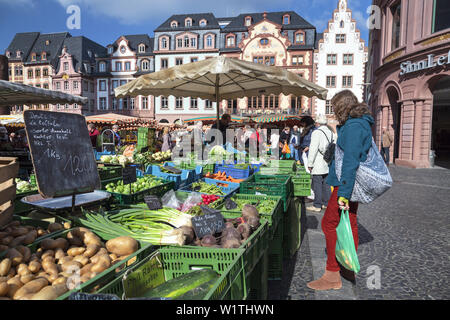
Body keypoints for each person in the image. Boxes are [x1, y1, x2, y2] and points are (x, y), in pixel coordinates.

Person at [307, 90, 374, 291]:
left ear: (342, 107)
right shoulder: (358, 124)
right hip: (349, 183)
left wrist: (343, 193)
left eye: (335, 107)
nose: (334, 112)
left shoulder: (354, 127)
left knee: (329, 223)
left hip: (346, 184)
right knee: (350, 222)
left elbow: (350, 162)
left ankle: (332, 274)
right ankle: (347, 267)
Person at [306, 114, 333, 213]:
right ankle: (327, 203)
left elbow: (313, 149)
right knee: (326, 183)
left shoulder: (316, 132)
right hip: (327, 161)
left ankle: (317, 205)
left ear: (317, 123)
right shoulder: (330, 132)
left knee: (317, 183)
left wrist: (310, 163)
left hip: (318, 162)